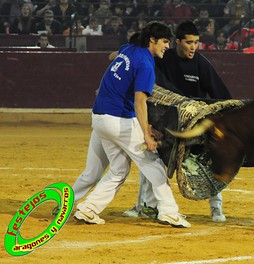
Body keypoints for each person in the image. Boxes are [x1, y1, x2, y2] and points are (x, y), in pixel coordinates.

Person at [73, 21, 191, 228]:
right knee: (152, 163)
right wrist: (146, 133)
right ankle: (169, 212)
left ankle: (88, 209)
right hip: (117, 120)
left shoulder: (128, 50)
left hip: (99, 118)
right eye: (164, 42)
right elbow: (140, 101)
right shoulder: (146, 64)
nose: (167, 46)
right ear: (152, 40)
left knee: (118, 170)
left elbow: (113, 56)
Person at [123, 21, 232, 222]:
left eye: (196, 43)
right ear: (177, 42)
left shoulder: (201, 64)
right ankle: (142, 205)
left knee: (207, 161)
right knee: (151, 159)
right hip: (167, 122)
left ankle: (216, 208)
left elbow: (221, 95)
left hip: (195, 123)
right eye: (189, 42)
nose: (193, 47)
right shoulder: (163, 58)